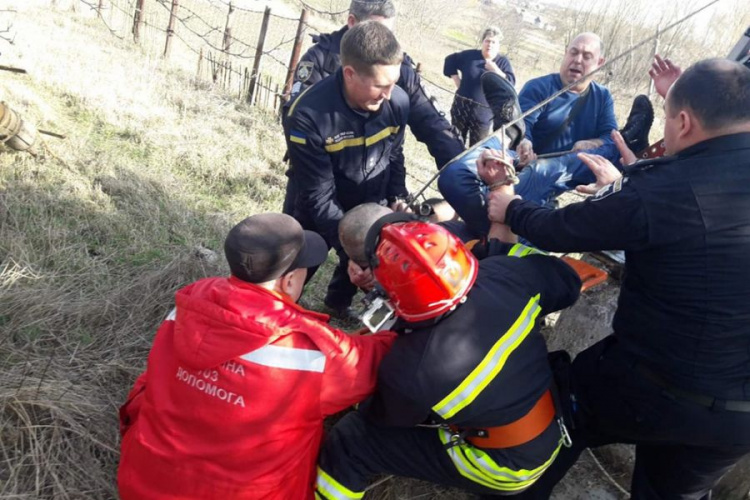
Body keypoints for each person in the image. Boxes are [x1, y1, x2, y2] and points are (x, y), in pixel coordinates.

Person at [487, 59, 750, 498]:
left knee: (557, 420)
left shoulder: (667, 189)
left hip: (653, 383)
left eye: (669, 118)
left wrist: (510, 207)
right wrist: (680, 95)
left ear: (683, 122)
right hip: (737, 416)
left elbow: (560, 229)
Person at [117, 213, 396, 499]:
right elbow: (379, 360)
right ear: (288, 282)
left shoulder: (192, 300)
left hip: (141, 484)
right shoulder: (307, 350)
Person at [314, 210, 582, 498]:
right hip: (551, 425)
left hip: (504, 466)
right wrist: (488, 251)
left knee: (353, 440)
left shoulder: (411, 370)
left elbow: (382, 416)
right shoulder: (508, 275)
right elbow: (568, 281)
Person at [438, 57, 652, 235]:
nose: (577, 60)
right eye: (574, 52)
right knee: (452, 175)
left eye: (586, 56)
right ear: (565, 55)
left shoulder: (602, 96)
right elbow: (527, 125)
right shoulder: (540, 86)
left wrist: (593, 142)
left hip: (548, 174)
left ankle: (626, 144)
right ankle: (509, 133)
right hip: (522, 161)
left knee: (455, 179)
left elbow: (608, 134)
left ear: (599, 62)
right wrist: (525, 141)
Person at [284, 21, 409, 319]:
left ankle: (338, 305)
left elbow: (395, 154)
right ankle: (282, 309)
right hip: (314, 205)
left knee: (361, 255)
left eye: (394, 83)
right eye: (380, 85)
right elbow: (319, 196)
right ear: (350, 73)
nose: (389, 94)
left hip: (369, 199)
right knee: (300, 259)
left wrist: (397, 194)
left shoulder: (398, 102)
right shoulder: (307, 115)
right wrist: (350, 252)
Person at [284, 0, 463, 171]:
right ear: (352, 22)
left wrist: (464, 167)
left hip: (376, 180)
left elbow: (432, 122)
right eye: (376, 30)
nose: (384, 42)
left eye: (389, 34)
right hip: (319, 173)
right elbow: (300, 122)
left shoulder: (400, 70)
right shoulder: (319, 60)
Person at [444, 26, 516, 146]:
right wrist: (457, 80)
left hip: (484, 114)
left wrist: (496, 70)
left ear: (498, 45)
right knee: (453, 143)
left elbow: (511, 82)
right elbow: (450, 60)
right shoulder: (470, 56)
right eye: (487, 41)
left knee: (476, 150)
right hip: (461, 107)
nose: (490, 44)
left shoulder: (502, 63)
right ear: (482, 42)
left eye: (494, 42)